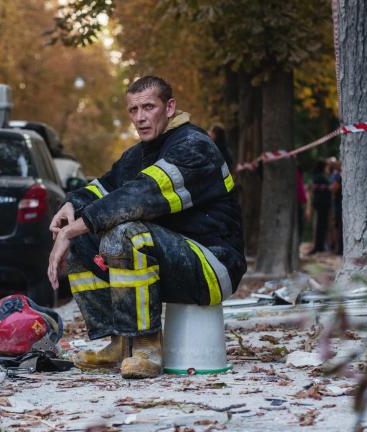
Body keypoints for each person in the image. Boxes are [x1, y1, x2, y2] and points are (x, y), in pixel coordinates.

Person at [46, 76, 247, 379]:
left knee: (126, 234)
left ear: (170, 107)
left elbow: (140, 196)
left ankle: (146, 348)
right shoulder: (138, 154)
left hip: (213, 263)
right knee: (85, 241)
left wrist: (70, 230)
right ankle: (119, 343)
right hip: (174, 258)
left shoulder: (195, 147)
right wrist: (70, 205)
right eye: (133, 109)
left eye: (148, 107)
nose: (140, 117)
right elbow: (104, 188)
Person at [309, 159, 332, 254]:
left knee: (319, 225)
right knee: (322, 226)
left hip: (318, 203)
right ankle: (320, 246)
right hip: (323, 204)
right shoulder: (322, 177)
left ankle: (319, 245)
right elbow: (330, 186)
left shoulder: (315, 177)